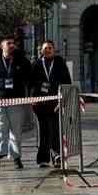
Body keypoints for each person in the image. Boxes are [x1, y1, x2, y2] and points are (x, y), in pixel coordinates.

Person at [0, 35, 32, 170]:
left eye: (13, 43)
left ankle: (16, 158)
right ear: (1, 46)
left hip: (16, 100)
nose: (11, 45)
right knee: (0, 129)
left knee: (15, 130)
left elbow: (29, 76)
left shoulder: (20, 60)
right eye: (8, 43)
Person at [29, 40, 72, 169]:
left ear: (54, 49)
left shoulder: (59, 63)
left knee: (55, 129)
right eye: (45, 48)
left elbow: (67, 81)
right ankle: (43, 158)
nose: (47, 50)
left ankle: (57, 156)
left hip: (55, 103)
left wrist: (64, 98)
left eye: (50, 48)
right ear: (42, 51)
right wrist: (32, 98)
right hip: (41, 104)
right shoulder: (37, 64)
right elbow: (32, 83)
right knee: (43, 131)